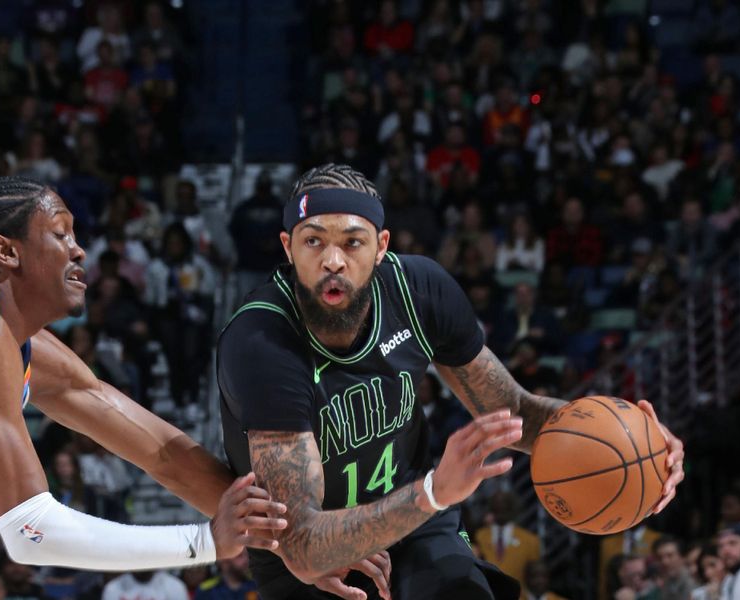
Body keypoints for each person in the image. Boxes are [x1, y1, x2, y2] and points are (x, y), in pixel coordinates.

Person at [217, 163, 685, 600]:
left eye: (352, 242)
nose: (333, 260)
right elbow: (301, 544)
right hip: (308, 556)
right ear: (287, 247)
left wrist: (632, 440)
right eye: (313, 241)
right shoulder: (262, 342)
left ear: (381, 246)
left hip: (412, 516)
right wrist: (436, 490)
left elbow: (512, 412)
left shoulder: (419, 291)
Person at [0, 176, 380, 600]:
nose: (79, 249)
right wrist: (205, 541)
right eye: (60, 234)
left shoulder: (16, 343)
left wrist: (299, 539)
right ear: (6, 251)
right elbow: (31, 531)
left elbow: (162, 453)